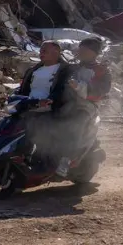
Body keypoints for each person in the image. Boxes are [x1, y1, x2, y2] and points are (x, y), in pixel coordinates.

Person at [15, 41, 82, 175]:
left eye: (45, 50)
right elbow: (23, 89)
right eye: (41, 50)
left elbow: (63, 89)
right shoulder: (33, 70)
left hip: (53, 109)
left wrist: (51, 100)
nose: (41, 53)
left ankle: (52, 163)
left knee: (42, 130)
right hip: (31, 106)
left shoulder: (65, 70)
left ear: (56, 53)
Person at [74, 37, 113, 104]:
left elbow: (100, 91)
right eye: (80, 49)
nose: (80, 52)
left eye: (85, 50)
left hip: (87, 104)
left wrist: (79, 87)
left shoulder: (102, 70)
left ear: (94, 54)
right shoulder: (73, 66)